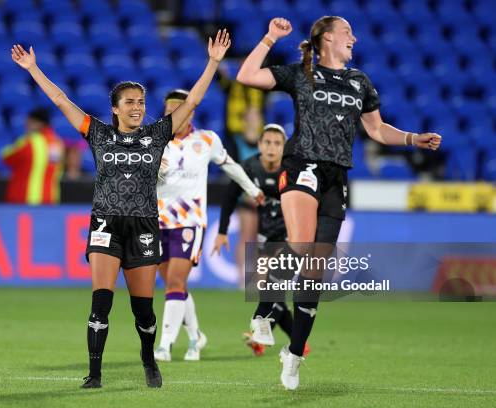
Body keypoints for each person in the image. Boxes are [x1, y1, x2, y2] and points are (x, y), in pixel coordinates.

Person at [11, 28, 231, 388]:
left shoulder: (157, 134)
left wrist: (213, 63)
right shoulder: (97, 133)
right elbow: (62, 101)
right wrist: (34, 69)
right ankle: (94, 374)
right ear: (115, 108)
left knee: (143, 309)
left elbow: (191, 102)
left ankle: (149, 359)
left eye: (141, 102)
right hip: (105, 223)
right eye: (129, 102)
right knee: (101, 302)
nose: (137, 107)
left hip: (144, 225)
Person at [236, 16, 442, 390]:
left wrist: (413, 138)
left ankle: (294, 355)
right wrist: (269, 38)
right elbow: (247, 76)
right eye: (348, 32)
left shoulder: (359, 81)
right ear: (328, 37)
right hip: (302, 166)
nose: (355, 38)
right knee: (300, 247)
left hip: (337, 178)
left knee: (316, 272)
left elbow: (376, 129)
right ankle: (264, 313)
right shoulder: (301, 72)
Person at [154, 89, 264, 362]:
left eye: (175, 109)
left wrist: (251, 189)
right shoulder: (153, 140)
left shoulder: (206, 140)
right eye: (167, 110)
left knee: (176, 282)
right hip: (156, 221)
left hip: (189, 222)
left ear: (189, 111)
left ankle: (165, 345)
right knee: (172, 284)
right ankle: (196, 337)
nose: (170, 114)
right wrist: (151, 171)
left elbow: (230, 166)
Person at [212, 123, 308, 358]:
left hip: (291, 237)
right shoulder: (250, 167)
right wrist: (222, 231)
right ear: (259, 145)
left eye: (277, 143)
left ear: (284, 147)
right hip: (266, 236)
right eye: (267, 143)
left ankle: (259, 335)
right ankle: (299, 343)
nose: (272, 148)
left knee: (272, 289)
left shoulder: (292, 169)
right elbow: (229, 196)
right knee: (273, 293)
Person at [1, 108, 64, 205]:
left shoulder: (29, 142)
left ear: (38, 123)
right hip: (50, 199)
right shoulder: (57, 143)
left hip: (26, 199)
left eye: (29, 122)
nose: (26, 125)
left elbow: (6, 157)